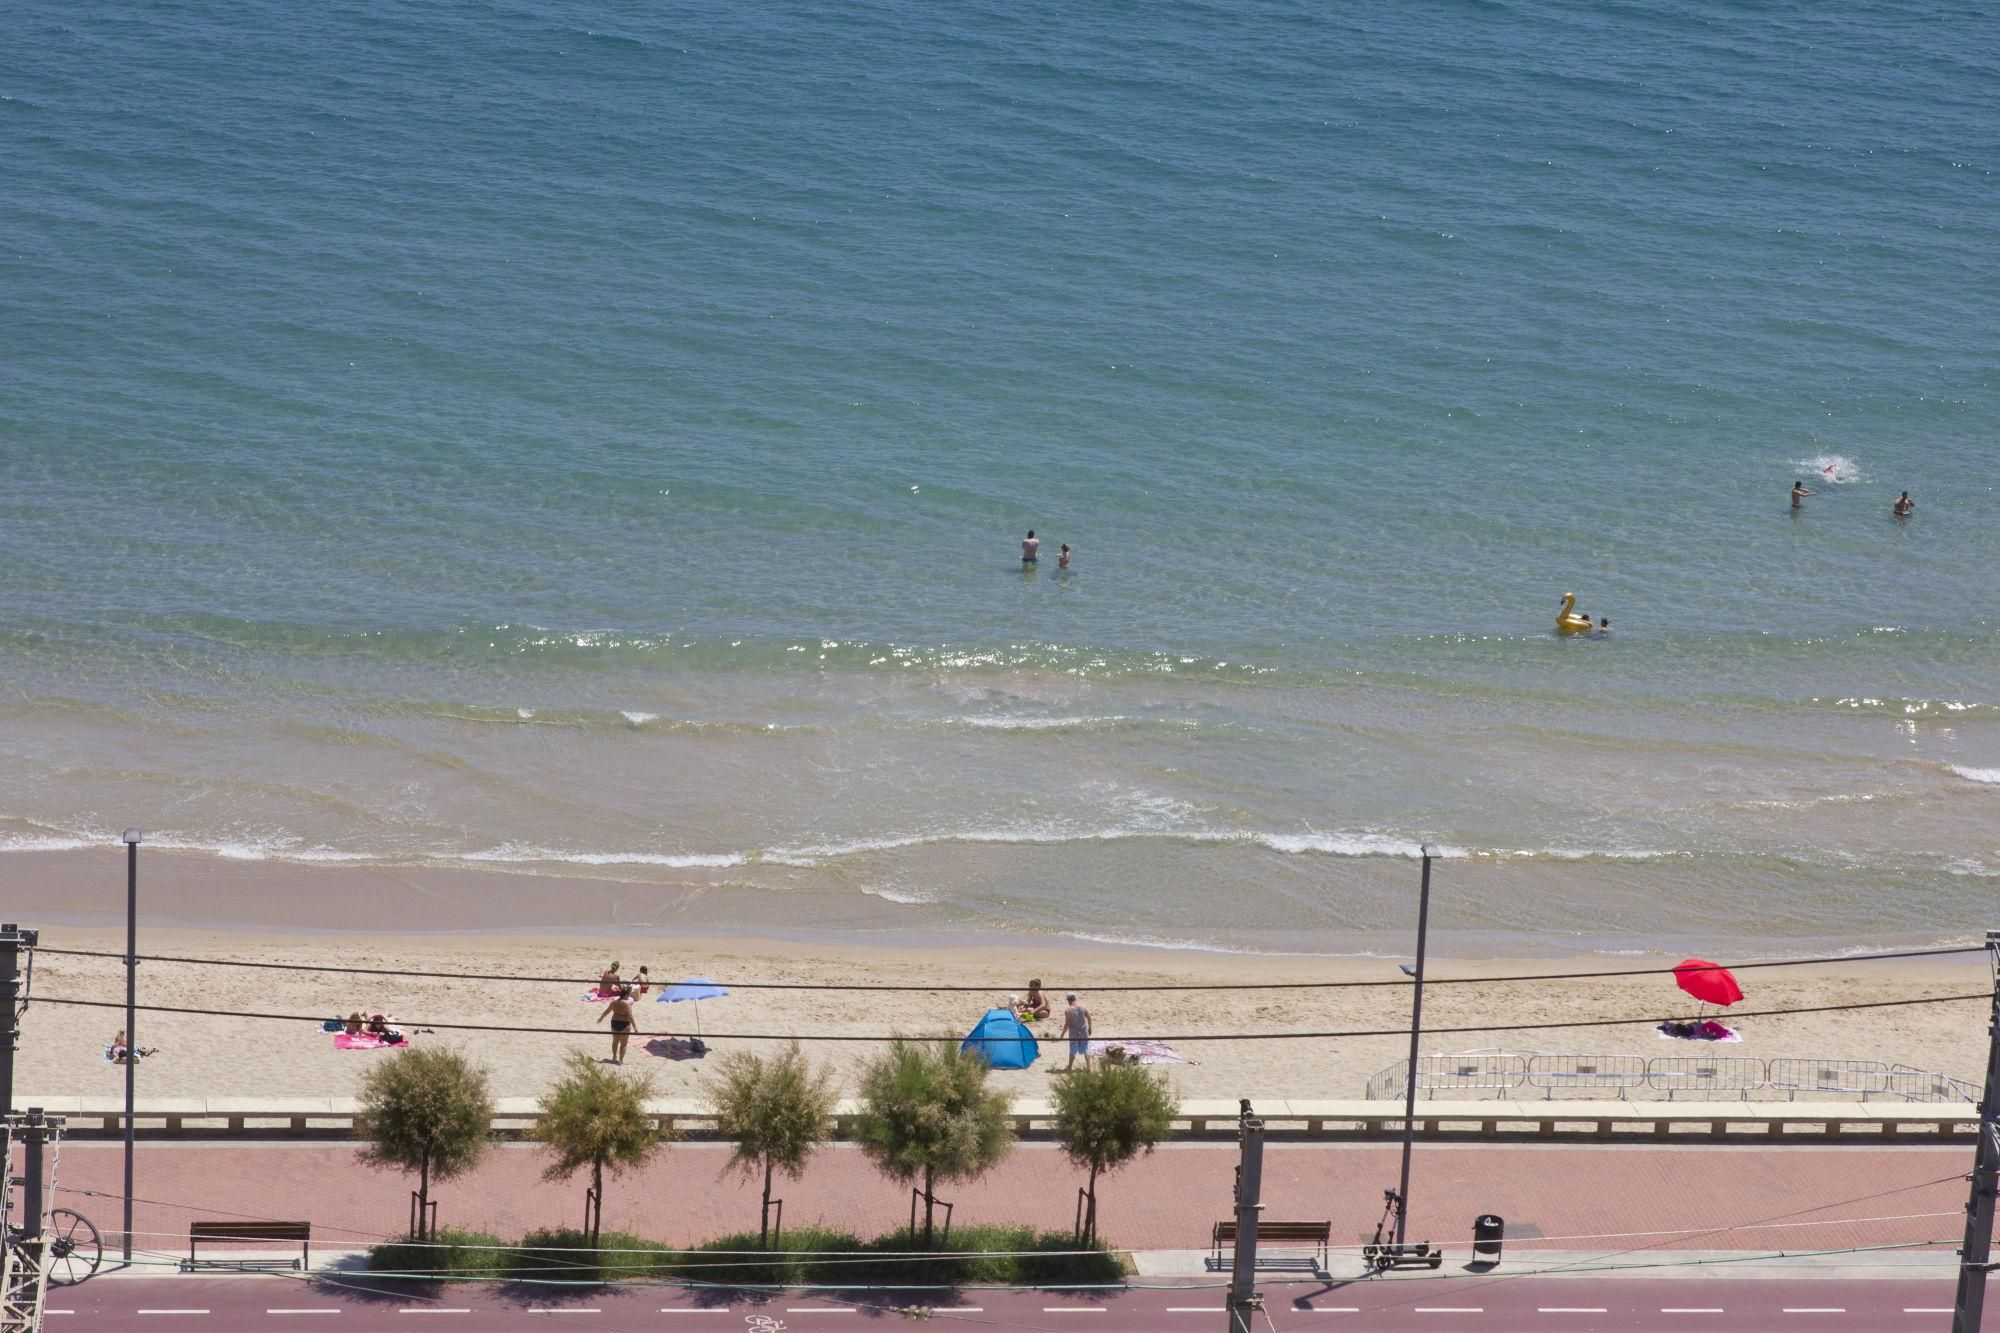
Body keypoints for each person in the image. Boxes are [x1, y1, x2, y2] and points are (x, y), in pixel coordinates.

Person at [597, 985, 636, 1064]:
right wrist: (635, 1027)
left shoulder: (614, 1002)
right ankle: (621, 1060)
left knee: (615, 1041)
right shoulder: (626, 1004)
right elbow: (630, 1016)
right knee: (623, 1044)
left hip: (614, 1022)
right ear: (626, 995)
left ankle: (614, 1056)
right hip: (624, 1024)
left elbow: (607, 1011)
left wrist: (601, 1018)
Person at [1061, 993, 1092, 1071]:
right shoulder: (1083, 1008)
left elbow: (1067, 1024)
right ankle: (1088, 1067)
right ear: (1075, 999)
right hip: (1084, 1032)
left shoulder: (1068, 1010)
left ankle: (1070, 1067)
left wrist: (1062, 1034)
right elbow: (1089, 1018)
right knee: (1086, 1049)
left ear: (1068, 1000)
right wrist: (1090, 1028)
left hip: (1074, 1034)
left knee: (1072, 1050)